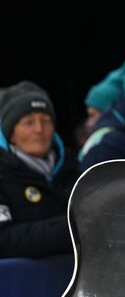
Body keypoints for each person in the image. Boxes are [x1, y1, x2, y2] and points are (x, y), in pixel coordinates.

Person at [0, 81, 76, 258]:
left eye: (46, 120)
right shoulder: (3, 175)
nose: (39, 129)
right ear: (10, 133)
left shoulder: (72, 170)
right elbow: (4, 240)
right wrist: (73, 227)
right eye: (28, 122)